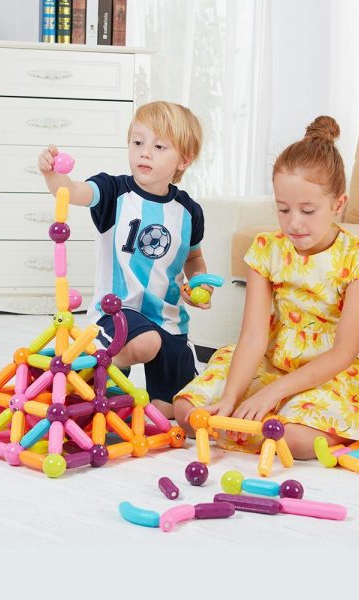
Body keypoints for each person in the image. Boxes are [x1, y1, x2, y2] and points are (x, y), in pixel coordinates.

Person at [174, 115, 359, 458]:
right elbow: (253, 336)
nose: (293, 223)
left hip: (333, 369)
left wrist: (272, 393)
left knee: (291, 439)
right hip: (275, 357)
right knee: (188, 411)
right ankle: (266, 411)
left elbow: (343, 353)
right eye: (283, 209)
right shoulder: (266, 249)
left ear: (338, 204)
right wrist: (230, 398)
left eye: (308, 210)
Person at [38, 101, 210, 419]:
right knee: (146, 342)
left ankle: (126, 402)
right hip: (117, 313)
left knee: (173, 410)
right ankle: (98, 359)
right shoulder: (113, 191)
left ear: (184, 159)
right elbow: (71, 191)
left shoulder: (189, 212)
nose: (145, 153)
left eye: (159, 147)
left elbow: (194, 257)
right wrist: (52, 175)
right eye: (138, 142)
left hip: (169, 319)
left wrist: (199, 283)